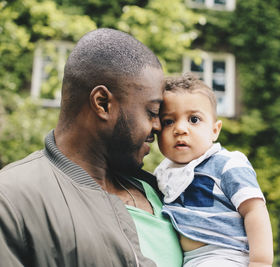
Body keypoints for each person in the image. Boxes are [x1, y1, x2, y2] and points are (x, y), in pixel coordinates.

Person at [0, 28, 182, 267]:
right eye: (152, 113)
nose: (159, 126)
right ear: (103, 103)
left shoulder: (167, 191)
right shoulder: (11, 199)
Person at [154, 73, 274, 267]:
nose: (180, 129)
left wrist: (260, 262)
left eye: (193, 119)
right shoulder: (162, 174)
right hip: (189, 261)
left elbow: (254, 210)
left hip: (226, 255)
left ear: (215, 130)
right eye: (169, 121)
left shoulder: (226, 163)